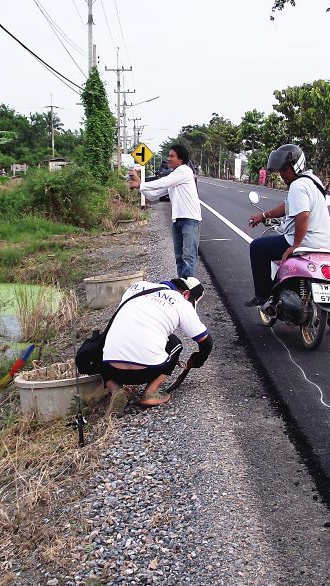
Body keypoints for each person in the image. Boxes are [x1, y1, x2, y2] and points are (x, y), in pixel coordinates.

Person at [246, 144, 330, 335]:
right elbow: (288, 206)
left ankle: (263, 297)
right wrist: (264, 215)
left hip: (305, 242)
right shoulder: (312, 180)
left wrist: (295, 245)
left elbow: (302, 216)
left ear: (296, 166)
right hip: (326, 244)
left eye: (285, 169)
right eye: (280, 170)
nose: (282, 174)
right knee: (323, 281)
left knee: (257, 247)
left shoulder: (298, 186)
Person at [102, 276, 213, 414]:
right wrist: (197, 360)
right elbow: (206, 342)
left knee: (108, 341)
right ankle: (150, 393)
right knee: (174, 343)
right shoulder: (180, 301)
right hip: (145, 371)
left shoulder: (136, 286)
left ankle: (115, 390)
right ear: (186, 294)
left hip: (111, 368)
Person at [128, 144, 202, 278]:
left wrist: (140, 184)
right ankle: (181, 289)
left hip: (190, 220)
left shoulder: (184, 171)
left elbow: (162, 182)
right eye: (168, 155)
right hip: (177, 221)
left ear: (181, 159)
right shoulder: (174, 178)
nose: (168, 158)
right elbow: (153, 195)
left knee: (188, 258)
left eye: (171, 156)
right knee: (180, 258)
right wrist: (140, 186)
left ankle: (188, 292)